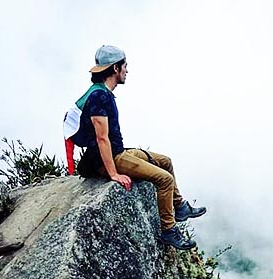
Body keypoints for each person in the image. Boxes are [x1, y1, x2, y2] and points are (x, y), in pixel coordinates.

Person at [77, 45, 205, 250]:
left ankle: (180, 207)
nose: (127, 71)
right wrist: (113, 174)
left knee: (165, 161)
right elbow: (102, 139)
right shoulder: (99, 97)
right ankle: (169, 231)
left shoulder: (102, 93)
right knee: (165, 179)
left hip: (119, 151)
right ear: (116, 68)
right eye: (125, 66)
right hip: (108, 158)